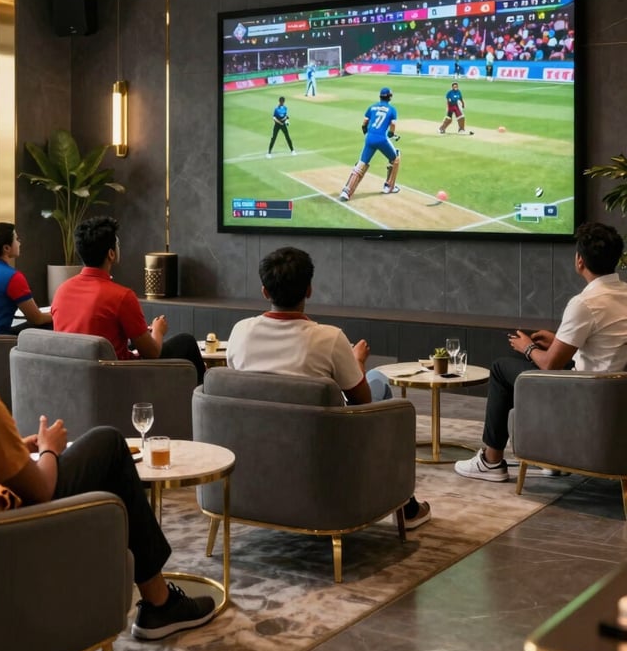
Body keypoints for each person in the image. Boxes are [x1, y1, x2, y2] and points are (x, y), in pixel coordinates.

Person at [0, 258, 215, 640]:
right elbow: (41, 489)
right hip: (1, 540)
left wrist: (10, 448)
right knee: (108, 444)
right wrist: (48, 449)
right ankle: (160, 604)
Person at [226, 246, 431, 529]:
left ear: (264, 291)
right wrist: (357, 361)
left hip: (254, 454)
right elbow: (361, 401)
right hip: (320, 453)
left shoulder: (240, 332)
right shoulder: (330, 339)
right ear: (309, 290)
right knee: (379, 384)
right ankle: (406, 506)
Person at [455, 222, 627, 482]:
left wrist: (528, 347)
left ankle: (491, 461)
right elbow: (603, 345)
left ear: (579, 261)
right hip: (614, 393)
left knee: (503, 368)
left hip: (586, 395)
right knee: (521, 363)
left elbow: (550, 365)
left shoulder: (585, 303)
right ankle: (550, 456)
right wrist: (558, 339)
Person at [51, 216, 206, 384]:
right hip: (119, 380)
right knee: (186, 342)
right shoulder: (121, 296)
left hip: (74, 378)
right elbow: (152, 353)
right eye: (117, 244)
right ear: (111, 254)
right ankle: (205, 404)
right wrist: (158, 331)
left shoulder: (61, 291)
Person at [339, 86, 400, 200]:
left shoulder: (372, 107)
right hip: (382, 139)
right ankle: (389, 186)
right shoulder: (392, 109)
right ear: (390, 97)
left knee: (362, 163)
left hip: (370, 138)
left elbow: (364, 123)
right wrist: (391, 134)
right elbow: (393, 124)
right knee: (395, 158)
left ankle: (346, 192)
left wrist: (367, 133)